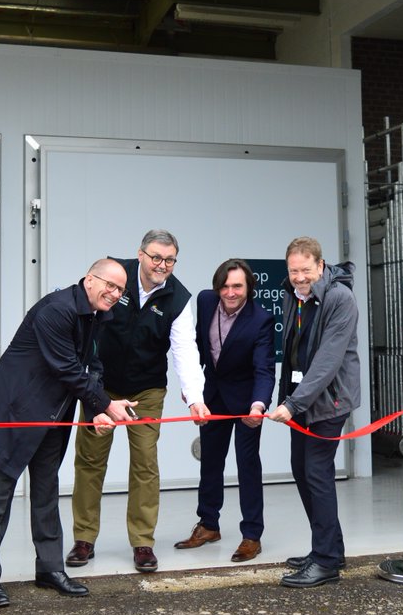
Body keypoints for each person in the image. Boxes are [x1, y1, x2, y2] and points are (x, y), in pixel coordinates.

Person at [0, 259, 139, 607]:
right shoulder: (57, 310)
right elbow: (66, 368)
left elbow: (92, 365)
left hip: (52, 416)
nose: (114, 293)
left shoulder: (96, 315)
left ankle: (49, 568)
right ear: (89, 280)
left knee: (47, 493)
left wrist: (95, 412)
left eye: (121, 289)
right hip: (14, 413)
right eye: (110, 284)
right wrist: (107, 405)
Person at [68, 229, 208, 573]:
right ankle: (84, 538)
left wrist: (194, 397)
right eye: (156, 257)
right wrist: (87, 383)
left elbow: (185, 349)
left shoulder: (178, 297)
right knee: (89, 461)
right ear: (141, 254)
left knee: (145, 465)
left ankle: (143, 542)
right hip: (101, 388)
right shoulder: (115, 275)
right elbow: (84, 318)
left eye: (170, 259)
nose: (162, 265)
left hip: (146, 390)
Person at [267, 236, 361, 588]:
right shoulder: (294, 294)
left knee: (317, 474)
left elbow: (327, 362)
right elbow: (291, 350)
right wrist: (285, 397)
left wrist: (293, 405)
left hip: (328, 402)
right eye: (293, 271)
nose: (299, 277)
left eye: (305, 270)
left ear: (320, 266)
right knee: (302, 471)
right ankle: (329, 549)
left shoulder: (340, 298)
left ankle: (325, 563)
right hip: (301, 401)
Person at [173, 258, 276, 562]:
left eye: (237, 286)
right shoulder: (205, 301)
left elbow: (265, 369)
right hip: (212, 396)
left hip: (247, 403)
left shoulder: (261, 319)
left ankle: (252, 535)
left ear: (249, 288)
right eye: (225, 286)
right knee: (210, 462)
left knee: (247, 466)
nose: (230, 293)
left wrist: (259, 405)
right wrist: (192, 387)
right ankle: (208, 525)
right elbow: (197, 347)